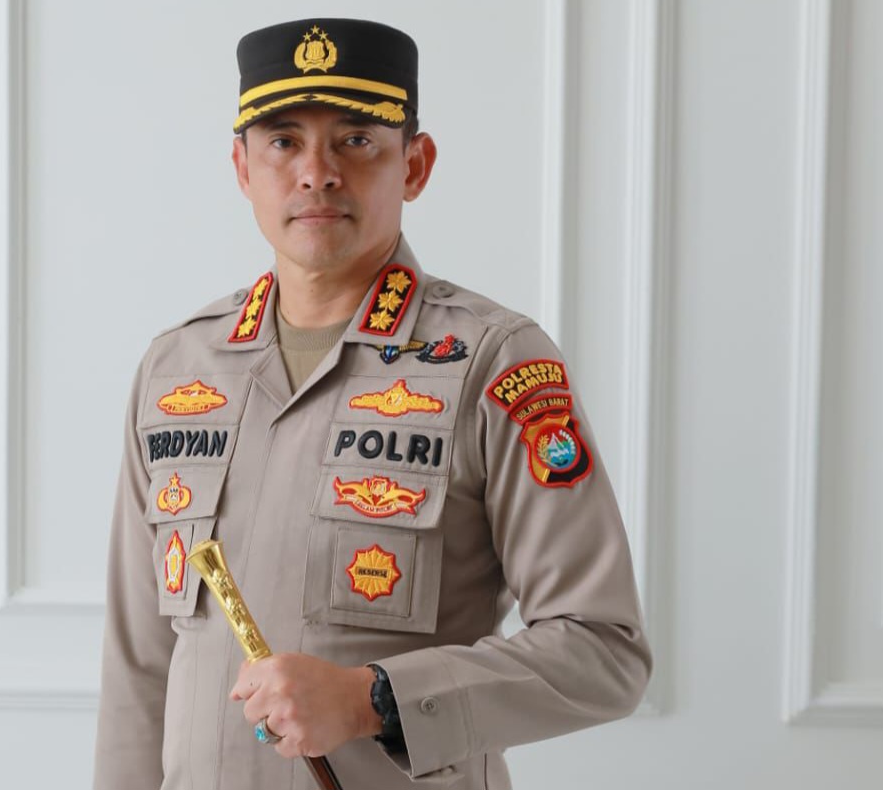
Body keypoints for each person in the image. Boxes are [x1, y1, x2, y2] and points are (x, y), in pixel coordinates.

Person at [94, 17, 651, 790]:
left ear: (414, 165)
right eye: (283, 141)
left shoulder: (494, 360)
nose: (317, 173)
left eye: (356, 140)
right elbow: (139, 668)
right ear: (242, 167)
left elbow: (604, 648)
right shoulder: (177, 368)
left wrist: (376, 700)